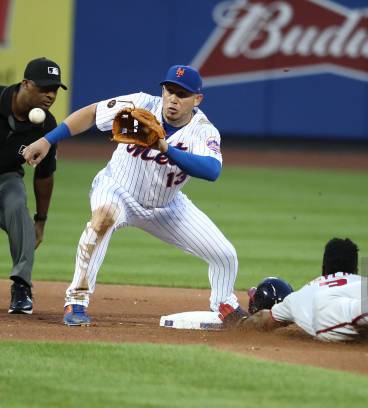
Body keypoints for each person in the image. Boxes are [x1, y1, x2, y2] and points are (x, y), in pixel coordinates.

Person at [23, 65, 246, 326]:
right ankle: (76, 301)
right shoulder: (140, 105)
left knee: (225, 255)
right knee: (101, 221)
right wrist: (48, 140)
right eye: (169, 90)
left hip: (167, 206)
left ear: (197, 99)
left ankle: (224, 305)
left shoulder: (203, 130)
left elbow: (212, 171)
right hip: (117, 190)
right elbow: (92, 113)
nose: (173, 99)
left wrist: (165, 147)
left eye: (182, 94)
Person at [1, 57, 67, 314]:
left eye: (55, 90)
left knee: (18, 205)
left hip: (6, 178)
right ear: (26, 84)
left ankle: (21, 288)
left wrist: (40, 220)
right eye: (44, 88)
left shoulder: (46, 125)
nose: (50, 95)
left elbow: (44, 175)